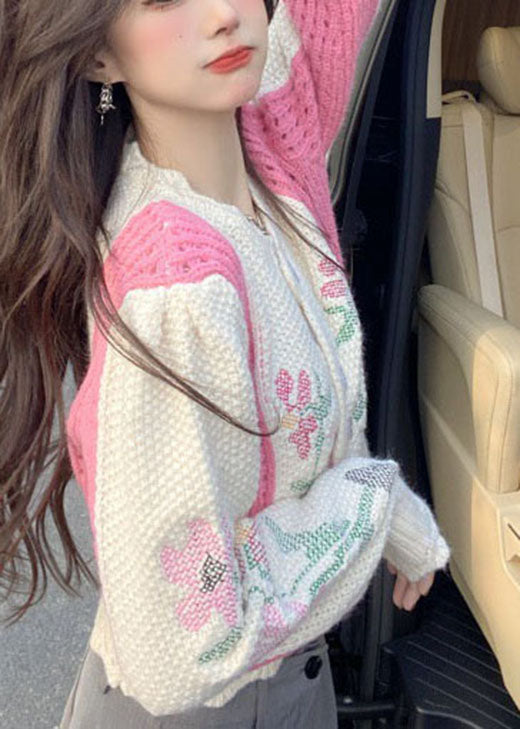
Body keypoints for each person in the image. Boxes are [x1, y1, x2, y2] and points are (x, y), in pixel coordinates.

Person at [0, 0, 451, 727]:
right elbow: (181, 644)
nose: (221, 14)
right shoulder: (173, 290)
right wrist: (374, 505)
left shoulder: (275, 157)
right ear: (97, 55)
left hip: (288, 683)